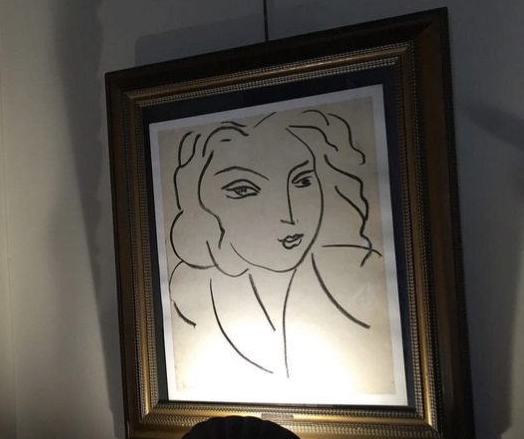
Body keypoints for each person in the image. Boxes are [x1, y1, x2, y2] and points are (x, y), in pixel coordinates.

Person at [165, 106, 396, 402]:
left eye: (302, 181)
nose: (288, 215)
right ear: (203, 204)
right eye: (244, 190)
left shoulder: (365, 277)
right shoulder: (189, 298)